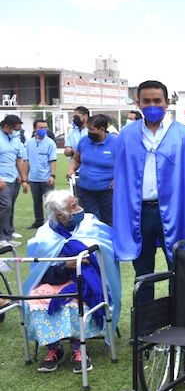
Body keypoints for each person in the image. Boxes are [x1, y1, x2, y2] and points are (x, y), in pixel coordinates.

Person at [23, 190, 121, 374]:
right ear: (61, 215)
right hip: (57, 279)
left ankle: (79, 348)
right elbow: (42, 273)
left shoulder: (90, 223)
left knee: (76, 297)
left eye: (77, 204)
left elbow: (107, 250)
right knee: (36, 297)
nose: (79, 209)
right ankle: (54, 349)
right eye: (73, 207)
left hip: (89, 280)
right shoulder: (45, 235)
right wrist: (66, 266)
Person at [113, 80, 185, 280]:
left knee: (178, 268)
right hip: (140, 212)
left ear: (167, 102)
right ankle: (145, 311)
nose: (152, 106)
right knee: (143, 272)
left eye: (157, 100)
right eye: (147, 101)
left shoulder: (183, 137)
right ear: (138, 103)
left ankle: (177, 311)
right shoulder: (127, 135)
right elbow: (121, 178)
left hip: (174, 210)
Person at [68, 115, 117, 226]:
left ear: (102, 129)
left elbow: (124, 165)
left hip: (108, 191)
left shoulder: (116, 143)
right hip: (86, 189)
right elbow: (76, 159)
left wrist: (117, 179)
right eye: (88, 129)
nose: (89, 132)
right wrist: (71, 169)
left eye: (91, 130)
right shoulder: (84, 141)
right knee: (90, 220)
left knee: (108, 221)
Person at [0, 115, 28, 247]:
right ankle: (2, 237)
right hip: (2, 179)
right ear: (6, 126)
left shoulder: (16, 139)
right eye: (15, 129)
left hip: (13, 178)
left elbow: (19, 160)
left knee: (10, 207)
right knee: (5, 206)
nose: (17, 132)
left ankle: (8, 234)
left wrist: (23, 179)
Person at [25, 119, 57, 229]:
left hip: (46, 178)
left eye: (45, 128)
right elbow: (27, 160)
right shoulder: (29, 143)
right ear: (34, 129)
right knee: (36, 201)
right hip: (34, 178)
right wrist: (25, 177)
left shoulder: (50, 143)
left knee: (50, 202)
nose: (43, 130)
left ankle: (51, 222)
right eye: (40, 128)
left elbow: (53, 160)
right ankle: (38, 222)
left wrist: (52, 175)